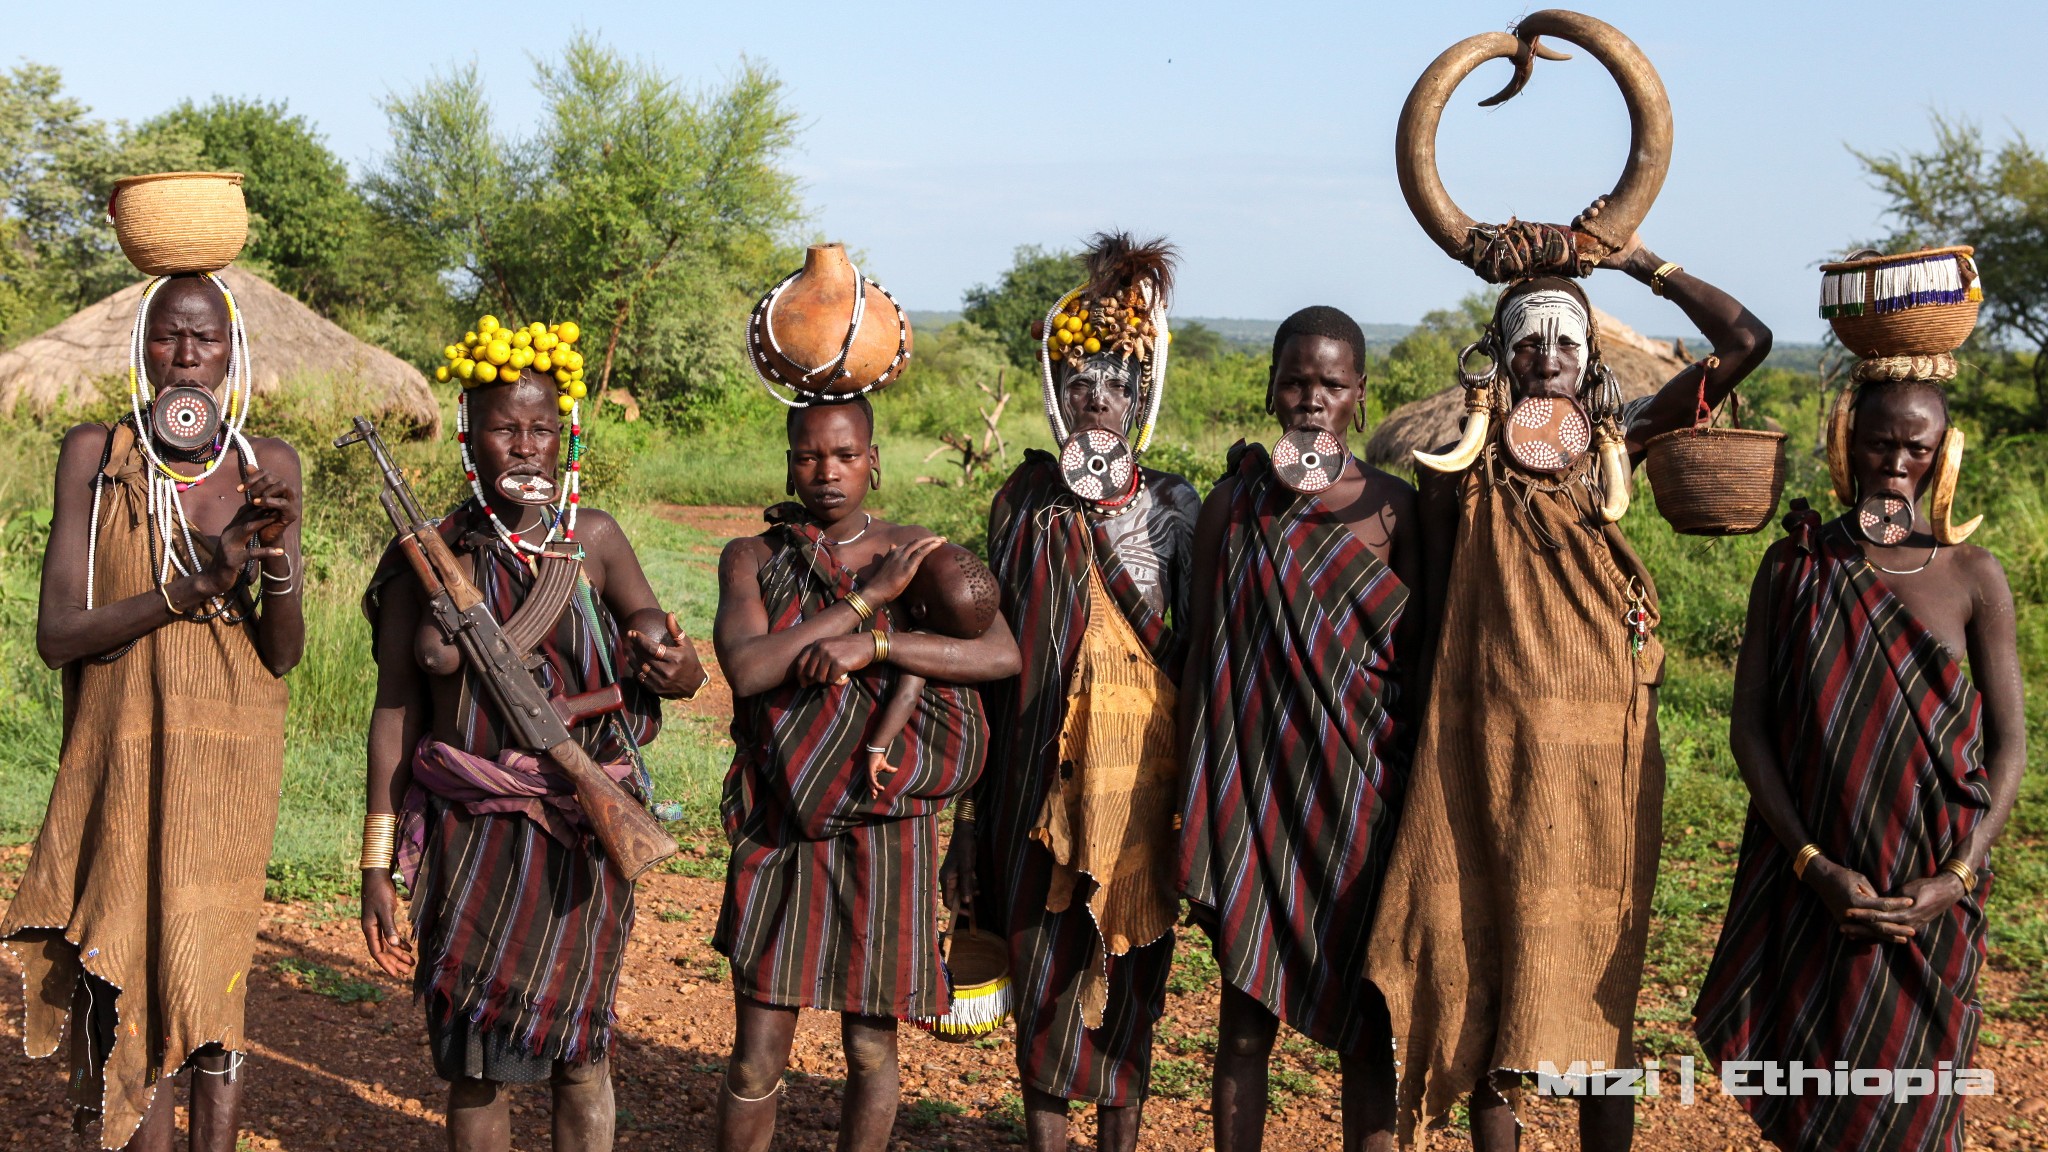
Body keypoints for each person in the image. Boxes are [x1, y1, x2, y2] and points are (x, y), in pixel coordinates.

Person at [1364, 240, 1771, 1150]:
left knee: (1597, 966)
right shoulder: (1458, 466)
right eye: (1526, 341)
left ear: (1589, 361)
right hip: (1483, 745)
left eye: (1565, 342)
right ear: (1498, 357)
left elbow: (1746, 341)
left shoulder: (1621, 443)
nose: (1546, 356)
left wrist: (1640, 264)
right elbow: (1427, 607)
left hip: (1603, 753)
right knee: (1487, 953)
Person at [359, 313, 707, 1152]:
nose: (524, 447)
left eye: (540, 429)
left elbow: (668, 657)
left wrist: (675, 668)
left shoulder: (593, 542)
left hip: (579, 833)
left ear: (565, 439)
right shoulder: (426, 557)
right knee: (475, 1060)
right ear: (468, 440)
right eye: (502, 429)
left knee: (578, 1055)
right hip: (468, 832)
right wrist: (376, 862)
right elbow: (396, 710)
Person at [1, 271, 304, 1151]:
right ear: (143, 347)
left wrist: (273, 552)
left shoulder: (264, 464)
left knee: (210, 989)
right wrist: (194, 587)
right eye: (168, 336)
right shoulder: (97, 456)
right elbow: (59, 634)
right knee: (119, 972)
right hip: (119, 755)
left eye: (203, 339)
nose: (185, 355)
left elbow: (283, 652)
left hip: (228, 766)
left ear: (230, 350)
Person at [1693, 376, 2025, 1152]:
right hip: (1820, 888)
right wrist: (1814, 866)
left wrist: (1957, 878)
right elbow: (1752, 733)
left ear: (1943, 456)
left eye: (1918, 447)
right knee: (1818, 1108)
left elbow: (2009, 744)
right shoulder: (1796, 564)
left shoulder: (1975, 575)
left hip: (1930, 899)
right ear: (1848, 445)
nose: (1898, 464)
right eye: (1882, 443)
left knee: (1917, 1112)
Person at [712, 397, 1021, 1152]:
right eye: (810, 456)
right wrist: (868, 603)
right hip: (781, 818)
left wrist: (877, 647)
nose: (827, 472)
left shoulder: (920, 550)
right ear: (789, 462)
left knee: (871, 1047)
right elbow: (750, 669)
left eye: (845, 455)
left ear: (873, 461)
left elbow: (1000, 655)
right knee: (757, 1052)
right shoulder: (755, 556)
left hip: (887, 823)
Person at [949, 234, 1200, 1152]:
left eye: (1118, 379)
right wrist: (971, 820)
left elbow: (1198, 645)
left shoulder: (1176, 505)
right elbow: (994, 647)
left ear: (1144, 396)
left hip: (1142, 783)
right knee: (1040, 953)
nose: (1097, 394)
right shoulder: (1021, 499)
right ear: (1056, 391)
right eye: (1080, 379)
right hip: (1030, 775)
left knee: (1132, 958)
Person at [1178, 305, 1420, 1152]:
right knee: (1245, 1020)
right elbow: (1203, 661)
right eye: (1296, 381)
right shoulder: (1233, 507)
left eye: (1331, 383)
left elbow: (1420, 672)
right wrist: (1196, 799)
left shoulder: (1396, 512)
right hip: (1253, 799)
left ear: (1360, 393)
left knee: (1368, 1030)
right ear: (1272, 387)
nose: (1311, 399)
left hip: (1362, 803)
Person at [859, 544, 1002, 793]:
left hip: (950, 754)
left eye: (917, 572)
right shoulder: (964, 630)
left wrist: (876, 748)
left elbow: (906, 697)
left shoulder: (923, 646)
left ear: (919, 610)